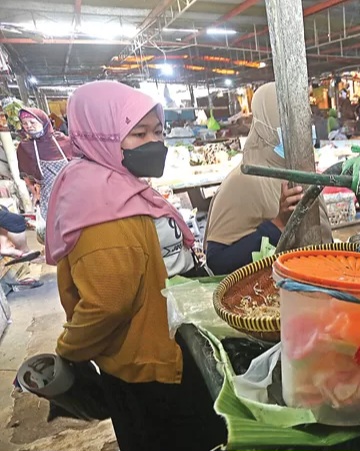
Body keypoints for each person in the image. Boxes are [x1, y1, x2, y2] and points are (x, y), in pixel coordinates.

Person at [45, 81, 226, 451]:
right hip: (149, 365)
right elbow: (109, 302)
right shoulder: (101, 205)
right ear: (100, 135)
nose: (154, 143)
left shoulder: (119, 185)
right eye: (138, 133)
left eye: (158, 131)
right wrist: (69, 349)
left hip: (167, 341)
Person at [204, 83, 332, 275]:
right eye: (288, 121)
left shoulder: (300, 168)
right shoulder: (244, 180)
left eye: (304, 119)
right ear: (266, 125)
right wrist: (278, 225)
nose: (302, 129)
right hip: (269, 296)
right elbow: (217, 261)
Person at [16, 107, 75, 221]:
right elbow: (26, 176)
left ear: (43, 122)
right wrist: (34, 192)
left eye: (32, 122)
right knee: (55, 225)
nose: (29, 126)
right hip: (48, 194)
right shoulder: (25, 147)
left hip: (71, 191)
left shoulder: (63, 141)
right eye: (25, 123)